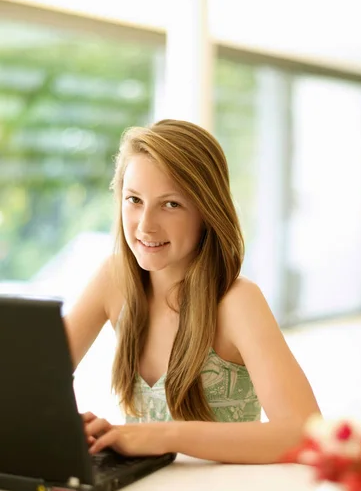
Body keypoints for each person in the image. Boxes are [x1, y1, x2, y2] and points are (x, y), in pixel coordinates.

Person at [64, 119, 320, 464]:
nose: (145, 225)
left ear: (207, 211)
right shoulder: (114, 279)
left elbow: (304, 434)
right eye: (134, 200)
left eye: (171, 204)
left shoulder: (237, 301)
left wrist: (162, 434)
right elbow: (29, 377)